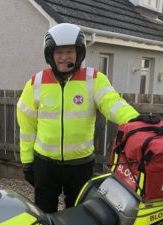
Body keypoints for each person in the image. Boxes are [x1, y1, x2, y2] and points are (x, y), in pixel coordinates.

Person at [16, 23, 140, 213]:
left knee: (79, 214)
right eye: (58, 52)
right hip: (45, 164)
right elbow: (26, 126)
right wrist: (27, 162)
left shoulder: (94, 79)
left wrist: (136, 121)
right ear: (50, 54)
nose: (64, 57)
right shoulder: (36, 82)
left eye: (69, 51)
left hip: (80, 165)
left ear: (79, 53)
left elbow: (113, 104)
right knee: (44, 213)